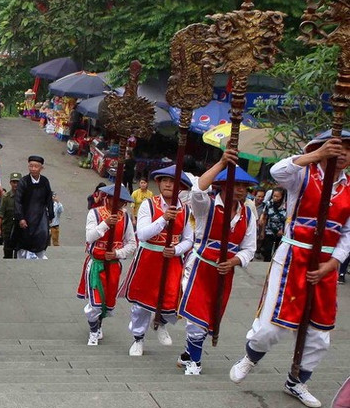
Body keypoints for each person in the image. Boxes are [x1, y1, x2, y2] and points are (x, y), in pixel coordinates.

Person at [229, 132, 350, 408]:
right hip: (293, 254)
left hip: (326, 263)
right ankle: (250, 356)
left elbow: (348, 233)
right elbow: (277, 171)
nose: (342, 152)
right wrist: (317, 156)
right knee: (273, 326)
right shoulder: (303, 175)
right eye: (337, 146)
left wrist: (334, 262)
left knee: (319, 334)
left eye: (348, 148)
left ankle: (297, 381)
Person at [176, 150, 257, 376]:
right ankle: (196, 362)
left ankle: (187, 354)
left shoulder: (248, 214)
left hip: (224, 272)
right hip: (200, 267)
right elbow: (198, 189)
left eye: (244, 186)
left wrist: (234, 261)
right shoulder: (207, 206)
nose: (240, 189)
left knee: (209, 316)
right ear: (222, 185)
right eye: (236, 184)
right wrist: (221, 163)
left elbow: (250, 249)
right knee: (196, 316)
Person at [119, 166, 194, 357]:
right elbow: (142, 234)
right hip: (149, 259)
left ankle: (161, 323)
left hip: (172, 261)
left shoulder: (185, 211)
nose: (168, 184)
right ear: (159, 183)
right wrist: (163, 219)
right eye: (165, 181)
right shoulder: (148, 205)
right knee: (142, 303)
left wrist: (176, 249)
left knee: (172, 298)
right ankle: (138, 338)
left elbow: (189, 239)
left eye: (173, 182)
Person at [78, 185, 137, 345]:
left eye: (121, 202)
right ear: (107, 197)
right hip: (96, 264)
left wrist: (117, 254)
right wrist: (105, 224)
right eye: (114, 199)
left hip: (113, 266)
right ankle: (93, 331)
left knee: (107, 301)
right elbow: (89, 237)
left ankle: (98, 325)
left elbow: (132, 243)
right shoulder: (95, 213)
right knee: (95, 302)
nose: (117, 204)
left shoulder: (125, 218)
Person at [12, 155, 54, 260]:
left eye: (36, 166)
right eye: (31, 166)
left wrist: (51, 215)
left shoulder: (44, 181)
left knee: (42, 235)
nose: (33, 169)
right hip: (26, 215)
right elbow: (18, 200)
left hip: (41, 215)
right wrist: (20, 217)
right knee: (24, 238)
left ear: (41, 168)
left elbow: (49, 199)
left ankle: (39, 257)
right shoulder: (24, 181)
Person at [0, 172, 21, 259]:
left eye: (17, 182)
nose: (15, 184)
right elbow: (1, 213)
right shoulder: (6, 197)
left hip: (20, 228)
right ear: (10, 183)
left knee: (20, 252)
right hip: (8, 228)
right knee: (8, 251)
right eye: (13, 182)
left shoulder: (24, 197)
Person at [258, 187, 287, 262]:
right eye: (274, 196)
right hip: (269, 229)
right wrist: (262, 231)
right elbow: (265, 216)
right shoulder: (269, 204)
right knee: (267, 250)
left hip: (281, 231)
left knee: (278, 251)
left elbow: (288, 220)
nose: (275, 198)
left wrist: (282, 229)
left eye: (277, 196)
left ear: (282, 197)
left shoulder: (286, 206)